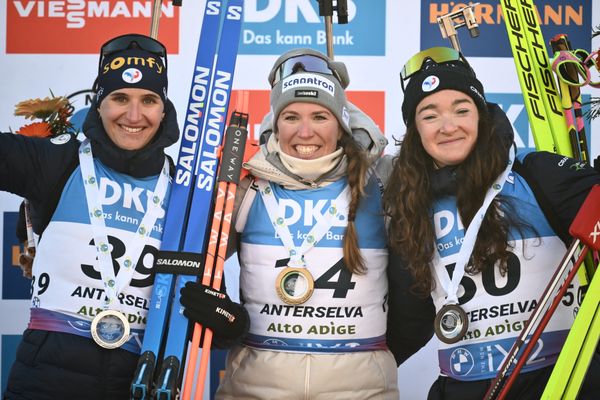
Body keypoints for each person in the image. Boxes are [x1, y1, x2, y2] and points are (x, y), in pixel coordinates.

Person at [180, 48, 399, 399]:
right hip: (255, 385)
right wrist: (224, 318)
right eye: (291, 116)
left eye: (321, 116)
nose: (305, 132)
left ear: (342, 123)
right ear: (275, 123)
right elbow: (198, 264)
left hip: (361, 387)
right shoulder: (247, 181)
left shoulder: (382, 178)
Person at [383, 46, 600, 399]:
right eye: (429, 115)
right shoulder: (409, 206)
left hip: (561, 382)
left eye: (461, 109)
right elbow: (409, 319)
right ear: (414, 130)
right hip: (466, 387)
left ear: (481, 115)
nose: (448, 126)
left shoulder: (536, 172)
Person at [1, 33, 179, 399]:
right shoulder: (59, 161)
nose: (134, 116)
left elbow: (207, 292)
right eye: (119, 99)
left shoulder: (181, 188)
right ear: (98, 104)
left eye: (148, 100)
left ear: (163, 109)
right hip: (45, 380)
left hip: (139, 382)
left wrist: (222, 316)